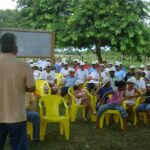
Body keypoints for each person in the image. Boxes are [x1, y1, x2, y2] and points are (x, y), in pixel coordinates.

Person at [0, 33, 35, 150]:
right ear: (15, 47)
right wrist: (19, 86)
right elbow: (31, 88)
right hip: (17, 116)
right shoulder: (24, 65)